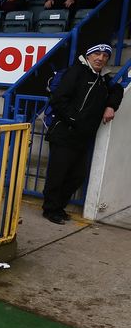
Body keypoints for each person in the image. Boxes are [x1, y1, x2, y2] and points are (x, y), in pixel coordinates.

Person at [42, 43, 123, 225]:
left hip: (82, 138)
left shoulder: (102, 78)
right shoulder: (76, 72)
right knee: (58, 174)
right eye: (97, 54)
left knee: (77, 176)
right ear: (88, 55)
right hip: (64, 133)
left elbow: (117, 90)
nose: (100, 58)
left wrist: (111, 106)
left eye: (105, 55)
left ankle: (59, 207)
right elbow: (59, 100)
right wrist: (75, 121)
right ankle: (50, 209)